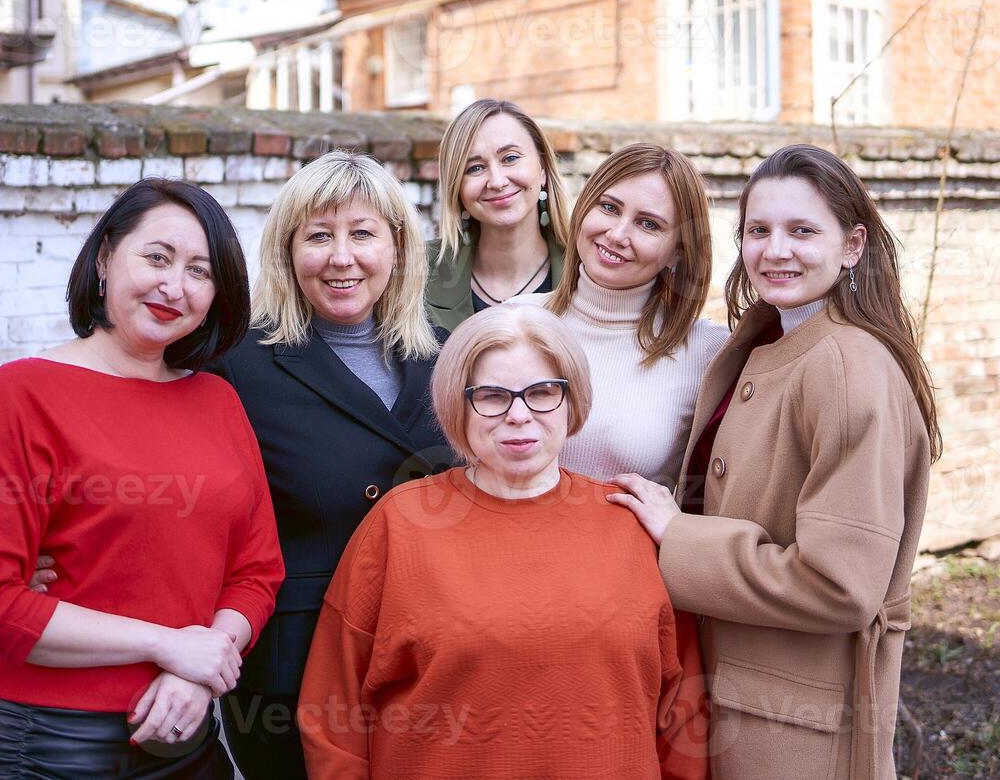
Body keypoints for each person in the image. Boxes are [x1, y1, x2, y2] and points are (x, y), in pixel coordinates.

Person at [608, 144, 941, 780]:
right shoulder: (775, 340)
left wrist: (678, 538)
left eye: (801, 231)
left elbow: (839, 584)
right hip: (737, 703)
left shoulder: (847, 368)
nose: (775, 250)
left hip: (797, 733)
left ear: (852, 244)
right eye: (758, 231)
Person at [0, 179, 284, 779]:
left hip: (188, 734)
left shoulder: (217, 400)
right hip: (52, 745)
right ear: (105, 258)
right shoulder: (24, 392)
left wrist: (197, 667)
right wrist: (166, 643)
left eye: (200, 271)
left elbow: (257, 571)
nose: (174, 286)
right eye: (156, 257)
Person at [297, 305, 708, 780]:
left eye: (542, 393)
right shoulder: (400, 523)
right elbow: (333, 707)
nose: (518, 415)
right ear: (458, 405)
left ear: (572, 401)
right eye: (492, 396)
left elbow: (684, 710)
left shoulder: (631, 523)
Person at [214, 150, 453, 778]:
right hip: (293, 663)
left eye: (363, 234)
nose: (341, 257)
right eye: (319, 235)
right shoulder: (238, 365)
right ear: (288, 252)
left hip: (430, 649)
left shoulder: (446, 359)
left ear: (397, 247)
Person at [529, 142, 728, 485]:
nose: (618, 234)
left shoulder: (709, 353)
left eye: (648, 225)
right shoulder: (512, 321)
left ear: (677, 254)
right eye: (608, 207)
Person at [425, 98, 571, 330]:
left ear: (542, 169)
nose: (497, 181)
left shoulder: (586, 270)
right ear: (456, 188)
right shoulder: (418, 273)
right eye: (475, 168)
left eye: (510, 158)